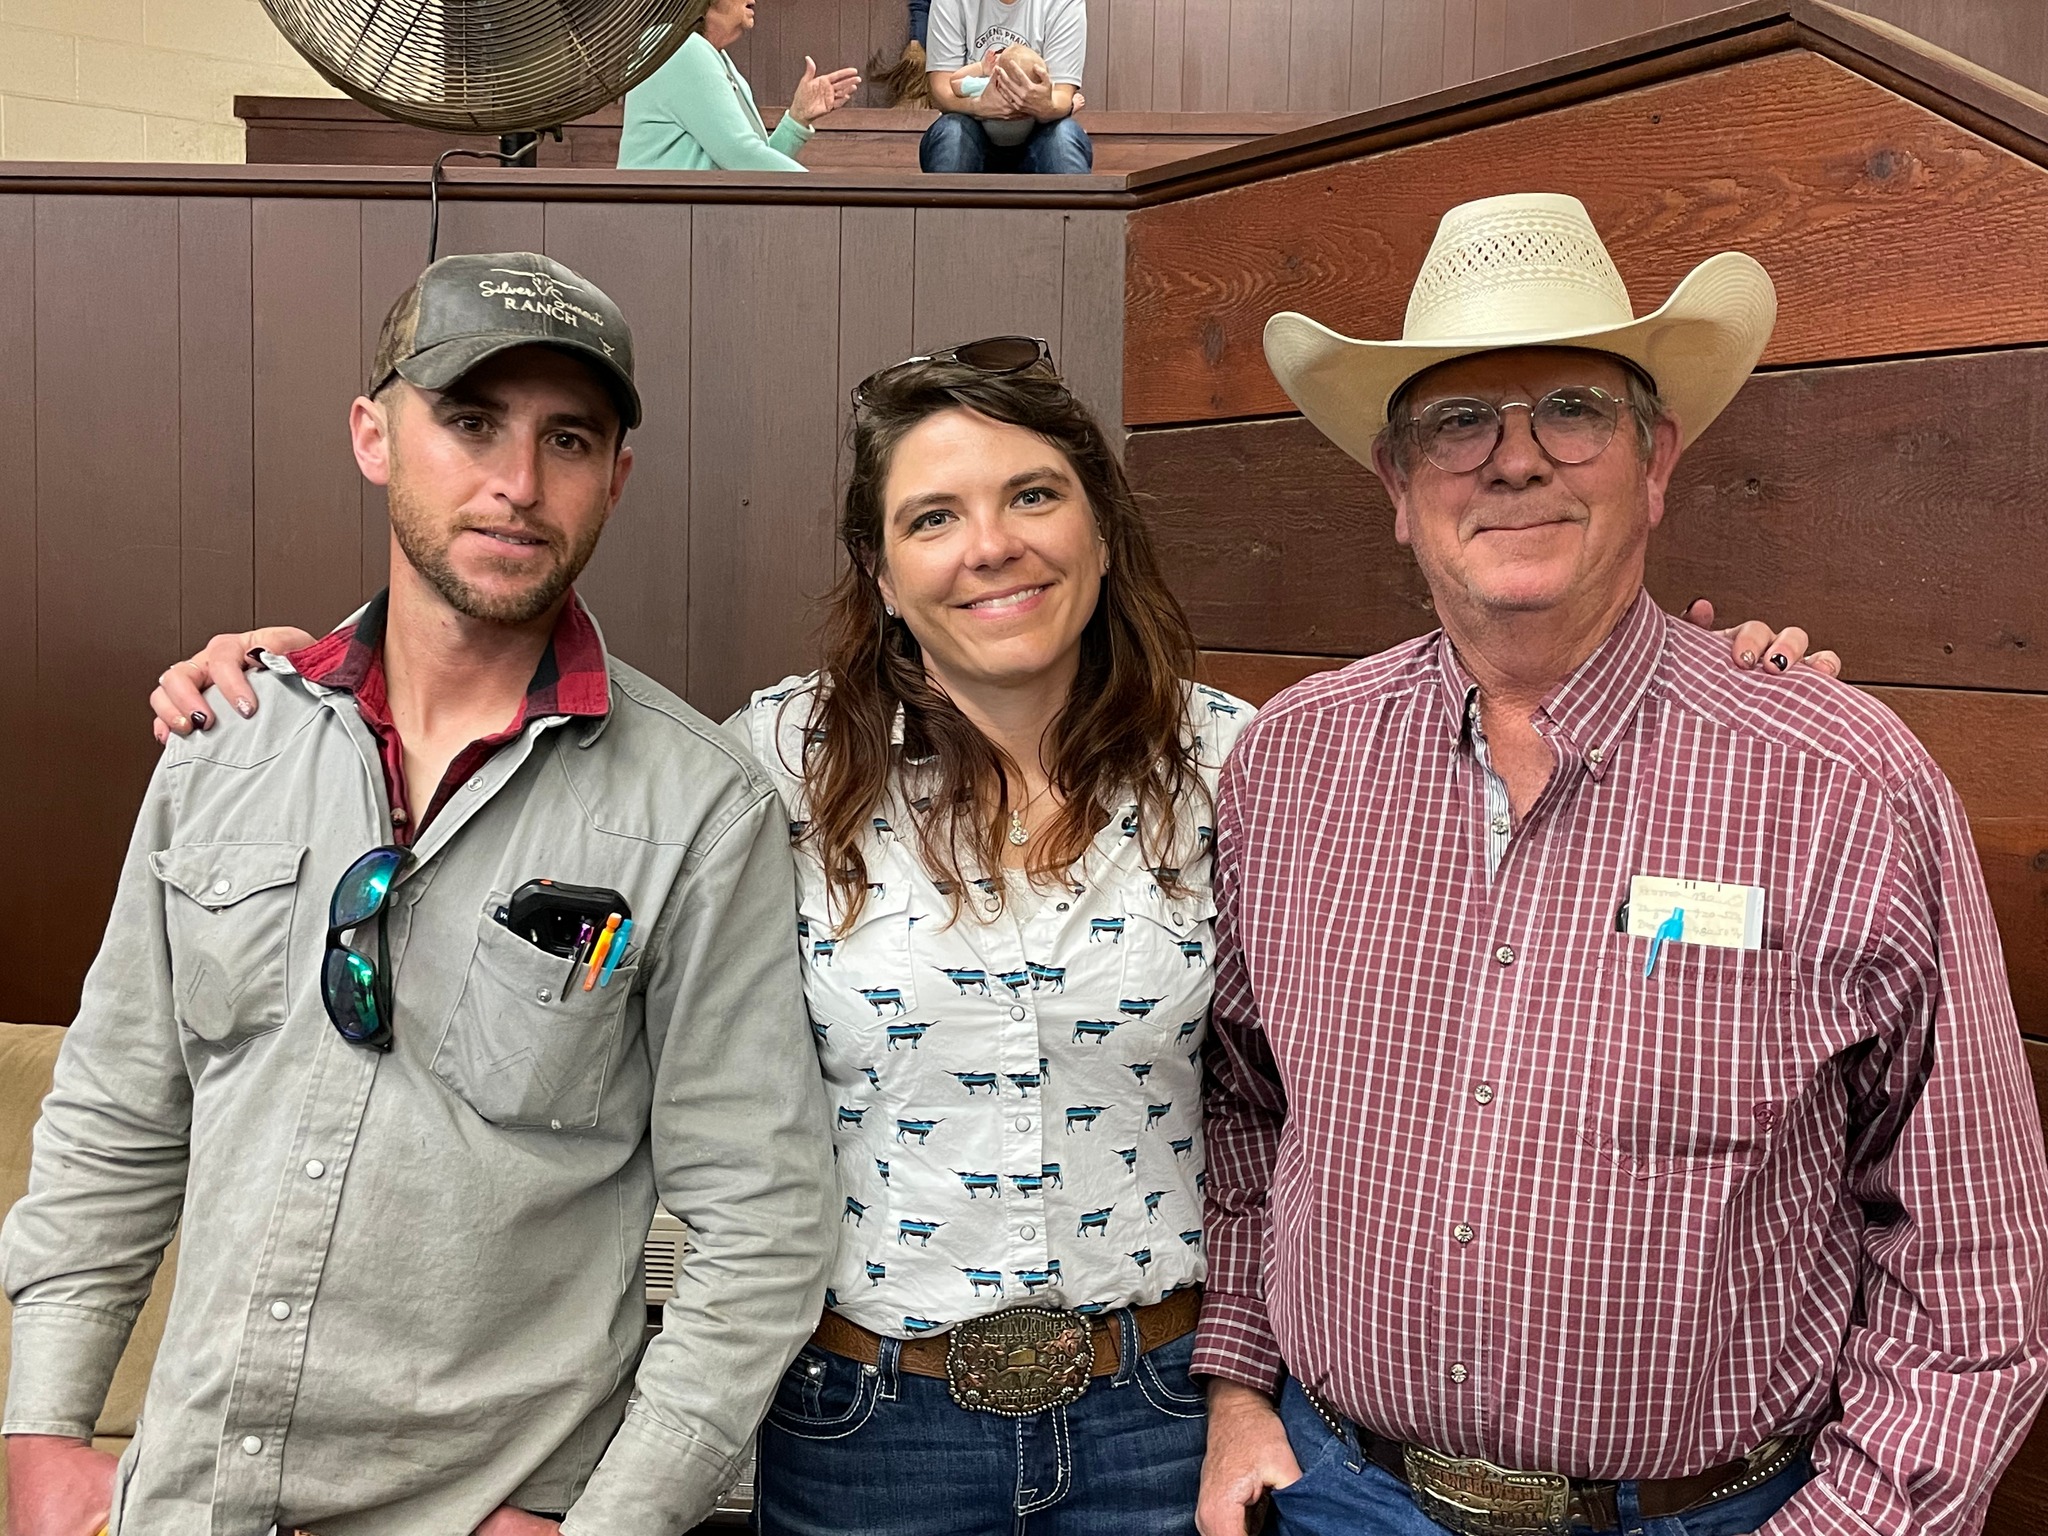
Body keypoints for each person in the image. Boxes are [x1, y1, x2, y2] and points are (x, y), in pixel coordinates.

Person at [144, 329, 1827, 1535]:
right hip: (862, 1429)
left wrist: (1720, 694)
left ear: (1098, 524)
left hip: (1173, 1429)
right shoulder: (754, 771)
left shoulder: (1261, 767)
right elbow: (509, 823)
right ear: (880, 570)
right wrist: (316, 689)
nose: (988, 546)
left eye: (1029, 495)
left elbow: (1490, 860)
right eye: (931, 517)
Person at [1192, 192, 2048, 1536]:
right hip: (1343, 1493)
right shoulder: (1289, 768)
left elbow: (1972, 1261)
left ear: (1657, 463)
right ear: (1398, 492)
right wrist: (1241, 1382)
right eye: (1458, 422)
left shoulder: (1840, 785)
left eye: (1571, 412)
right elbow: (1243, 1106)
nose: (1515, 461)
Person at [1, 252, 836, 1536]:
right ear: (373, 434)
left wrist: (613, 1520)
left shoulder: (696, 808)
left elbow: (760, 1223)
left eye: (568, 438)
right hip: (191, 1496)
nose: (516, 483)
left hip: (483, 1507)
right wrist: (47, 1428)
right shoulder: (227, 738)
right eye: (468, 421)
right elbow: (119, 1112)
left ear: (616, 476)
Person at [619, 0, 860, 172]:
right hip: (662, 223)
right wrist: (824, 193)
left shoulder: (717, 58)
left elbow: (750, 171)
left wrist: (797, 118)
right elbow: (741, 156)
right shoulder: (679, 48)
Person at [921, 0, 1092, 175]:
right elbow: (942, 89)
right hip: (970, 126)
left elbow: (1062, 95)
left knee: (1065, 138)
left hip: (1039, 129)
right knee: (951, 134)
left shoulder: (1062, 3)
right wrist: (979, 106)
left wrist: (1043, 105)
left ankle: (1074, 202)